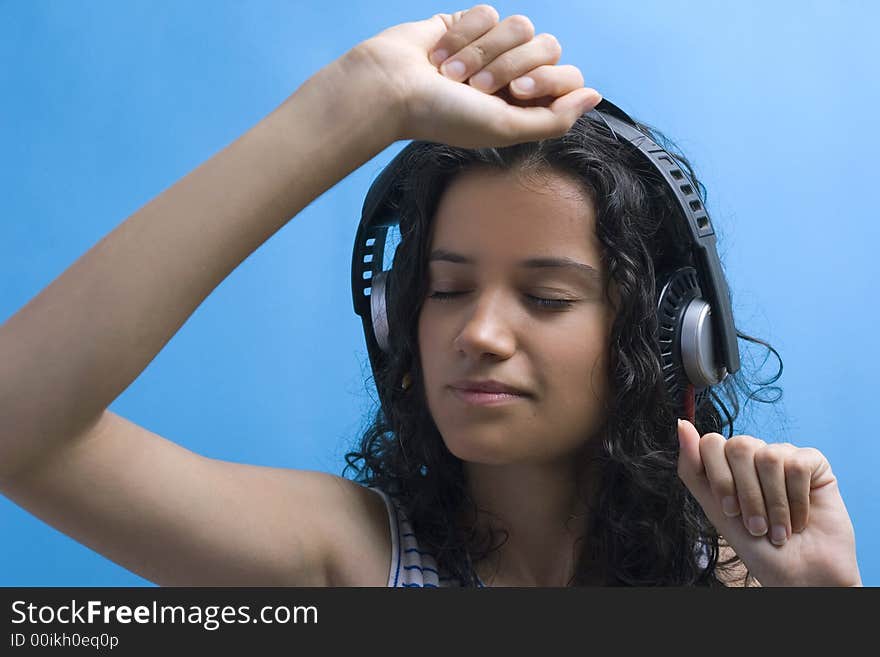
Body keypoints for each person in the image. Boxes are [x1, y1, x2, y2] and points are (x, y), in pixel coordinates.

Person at [0, 5, 861, 587]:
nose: (478, 332)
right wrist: (353, 103)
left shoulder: (744, 577)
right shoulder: (351, 559)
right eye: (446, 288)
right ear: (392, 318)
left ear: (670, 336)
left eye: (547, 298)